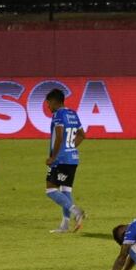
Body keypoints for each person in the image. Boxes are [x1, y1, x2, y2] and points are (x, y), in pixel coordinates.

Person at [44, 88, 86, 233]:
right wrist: (70, 147)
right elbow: (82, 134)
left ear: (54, 102)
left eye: (48, 103)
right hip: (73, 158)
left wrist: (53, 157)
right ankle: (65, 225)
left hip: (60, 160)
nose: (48, 106)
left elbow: (60, 136)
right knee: (65, 190)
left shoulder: (58, 115)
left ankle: (77, 212)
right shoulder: (72, 113)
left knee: (50, 190)